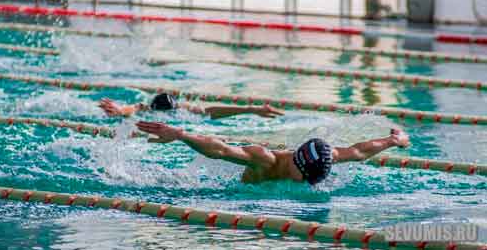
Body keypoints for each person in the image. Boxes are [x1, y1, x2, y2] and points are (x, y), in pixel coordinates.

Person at [135, 121, 410, 185]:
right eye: (307, 178)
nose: (309, 184)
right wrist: (181, 135)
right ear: (298, 165)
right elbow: (220, 149)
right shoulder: (265, 161)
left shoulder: (325, 157)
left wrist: (392, 140)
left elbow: (359, 151)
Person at [99, 93, 283, 120]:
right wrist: (120, 111)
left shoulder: (183, 108)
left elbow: (210, 111)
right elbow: (135, 108)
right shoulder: (145, 108)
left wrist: (251, 109)